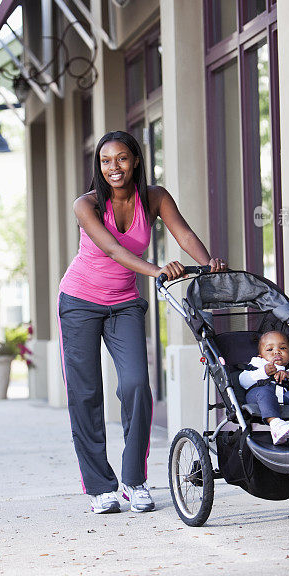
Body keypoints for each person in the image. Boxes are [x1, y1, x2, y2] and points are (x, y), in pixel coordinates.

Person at [57, 130, 226, 515]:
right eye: (105, 160)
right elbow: (114, 249)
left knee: (136, 386)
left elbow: (182, 234)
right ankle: (101, 487)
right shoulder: (85, 204)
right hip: (79, 302)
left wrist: (209, 264)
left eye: (121, 159)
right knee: (85, 395)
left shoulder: (154, 198)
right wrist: (158, 271)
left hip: (124, 305)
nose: (113, 167)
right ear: (98, 166)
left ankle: (134, 481)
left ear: (135, 160)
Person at [239, 330, 289, 445]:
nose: (277, 352)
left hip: (283, 397)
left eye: (283, 348)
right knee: (265, 391)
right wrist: (263, 372)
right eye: (270, 349)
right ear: (260, 355)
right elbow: (243, 381)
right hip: (258, 397)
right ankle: (276, 425)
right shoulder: (257, 364)